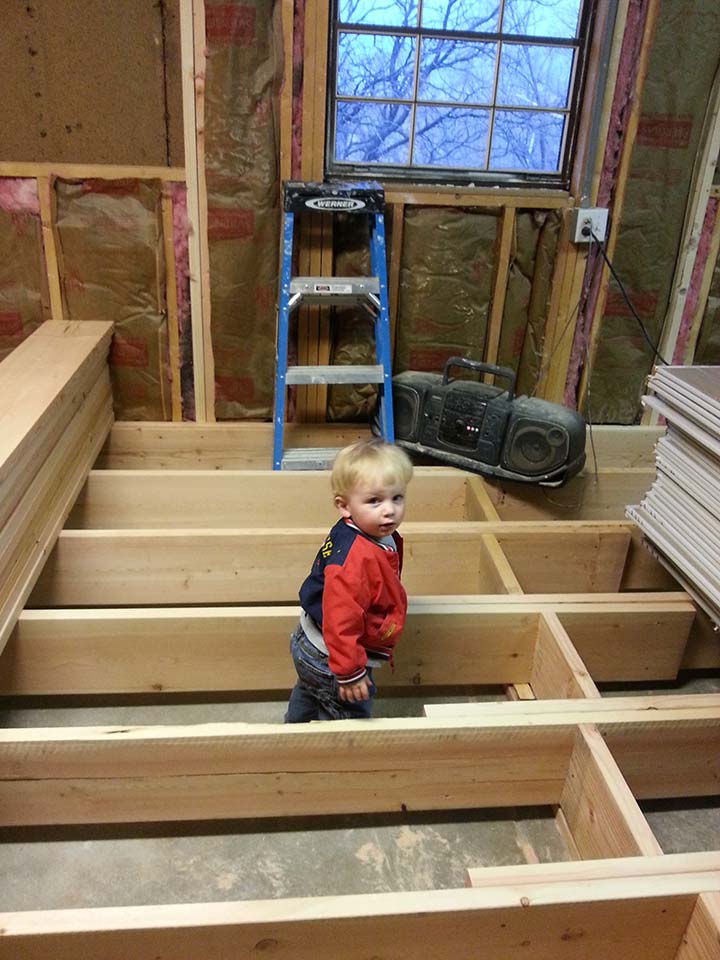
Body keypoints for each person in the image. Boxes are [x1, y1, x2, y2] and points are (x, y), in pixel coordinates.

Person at [285, 438, 414, 722]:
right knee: (350, 715)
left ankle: (293, 732)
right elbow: (341, 618)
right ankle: (342, 763)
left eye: (397, 497)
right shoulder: (356, 560)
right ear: (344, 506)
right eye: (374, 501)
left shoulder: (363, 530)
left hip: (311, 643)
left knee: (309, 692)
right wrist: (350, 673)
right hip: (332, 659)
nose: (389, 510)